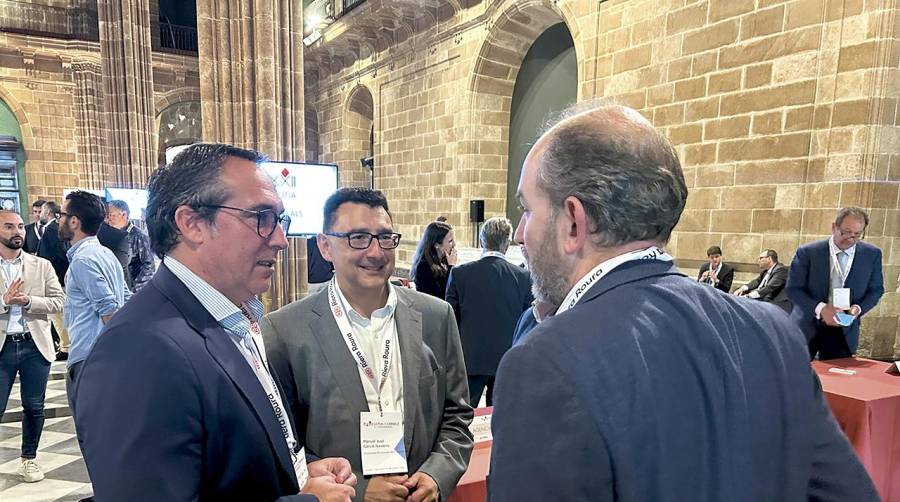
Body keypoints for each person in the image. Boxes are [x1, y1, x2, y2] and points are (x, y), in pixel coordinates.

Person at [488, 102, 878, 501]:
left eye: (526, 209)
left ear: (574, 220)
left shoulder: (546, 362)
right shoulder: (772, 330)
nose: (520, 234)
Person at [74, 144, 356, 501]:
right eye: (261, 218)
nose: (281, 240)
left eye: (279, 220)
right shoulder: (139, 349)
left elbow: (226, 462)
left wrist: (292, 475)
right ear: (192, 223)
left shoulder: (231, 317)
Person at [262, 187, 473, 502]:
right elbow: (281, 447)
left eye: (385, 238)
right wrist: (358, 489)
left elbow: (457, 415)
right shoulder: (285, 331)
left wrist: (436, 475)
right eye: (357, 238)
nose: (376, 253)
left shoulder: (435, 316)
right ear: (325, 246)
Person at [0, 210, 64, 483]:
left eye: (19, 227)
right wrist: (5, 301)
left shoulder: (41, 265)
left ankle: (29, 459)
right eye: (8, 226)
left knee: (34, 406)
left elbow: (59, 301)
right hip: (2, 347)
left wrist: (28, 301)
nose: (17, 232)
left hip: (33, 345)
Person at [57, 190, 130, 416]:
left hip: (90, 359)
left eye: (61, 214)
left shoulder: (83, 260)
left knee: (92, 433)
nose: (58, 220)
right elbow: (127, 299)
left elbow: (109, 309)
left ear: (74, 221)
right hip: (104, 358)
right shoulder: (105, 254)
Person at [445, 217, 532, 406]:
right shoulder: (523, 278)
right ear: (507, 244)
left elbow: (449, 319)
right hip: (506, 360)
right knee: (499, 420)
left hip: (469, 358)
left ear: (482, 240)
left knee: (464, 418)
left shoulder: (460, 274)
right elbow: (527, 323)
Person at [786, 207, 884, 360]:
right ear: (834, 227)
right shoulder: (808, 252)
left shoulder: (872, 254)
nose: (850, 239)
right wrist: (822, 309)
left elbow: (876, 290)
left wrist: (857, 309)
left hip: (844, 329)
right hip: (807, 325)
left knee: (839, 380)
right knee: (795, 377)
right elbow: (793, 289)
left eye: (857, 234)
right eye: (845, 232)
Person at [36, 201, 70, 360]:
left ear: (48, 212)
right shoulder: (51, 229)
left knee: (58, 314)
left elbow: (61, 254)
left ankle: (66, 346)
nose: (39, 214)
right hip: (57, 278)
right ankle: (65, 344)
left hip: (56, 279)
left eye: (41, 211)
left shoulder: (51, 230)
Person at [106, 199, 155, 291]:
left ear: (124, 215)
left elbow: (149, 266)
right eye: (107, 215)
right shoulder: (108, 233)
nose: (108, 218)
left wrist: (134, 290)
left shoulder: (139, 236)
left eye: (111, 215)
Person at [409, 221, 456, 299]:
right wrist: (451, 267)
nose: (454, 244)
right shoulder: (423, 267)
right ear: (437, 245)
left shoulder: (444, 261)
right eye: (450, 241)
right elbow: (441, 296)